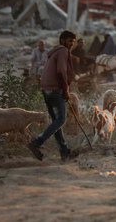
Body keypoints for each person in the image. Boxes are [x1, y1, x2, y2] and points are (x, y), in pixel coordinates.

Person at [27, 30, 79, 161]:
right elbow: (61, 71)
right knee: (61, 120)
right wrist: (66, 90)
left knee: (57, 121)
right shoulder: (62, 51)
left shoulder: (53, 52)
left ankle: (64, 151)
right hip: (55, 90)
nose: (71, 44)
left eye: (73, 42)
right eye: (69, 41)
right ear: (62, 41)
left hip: (46, 90)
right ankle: (37, 142)